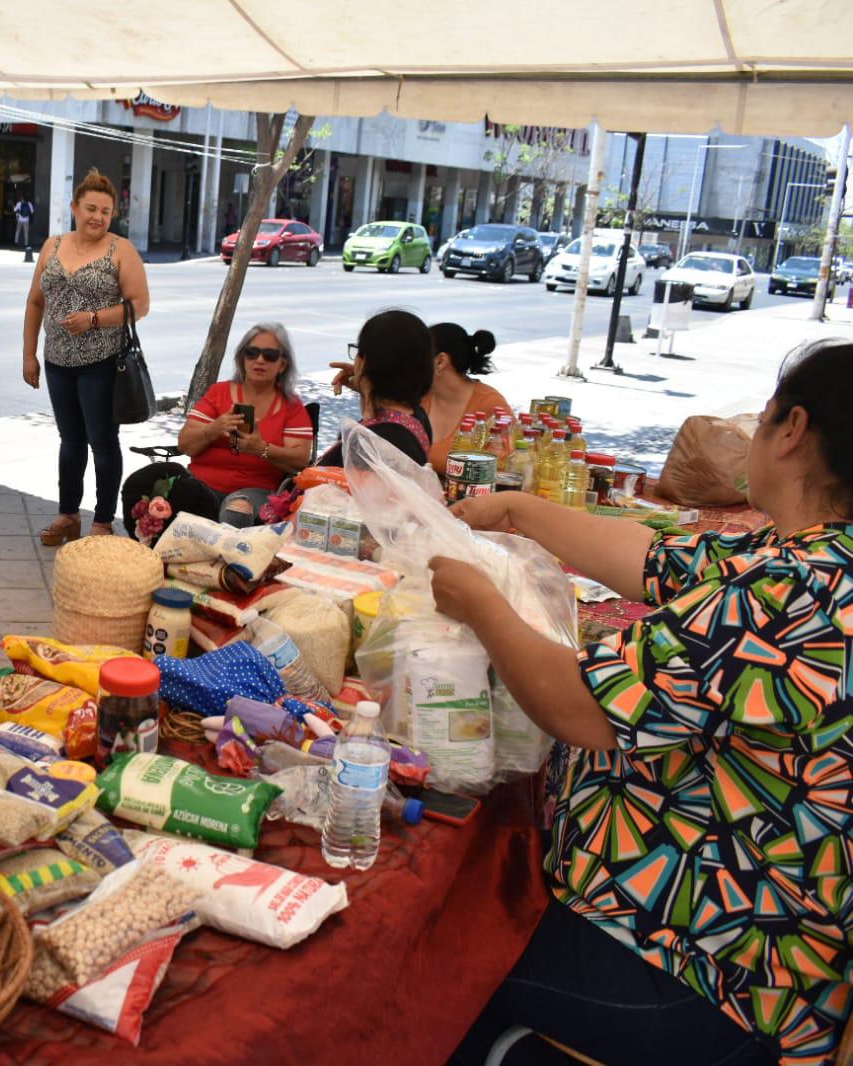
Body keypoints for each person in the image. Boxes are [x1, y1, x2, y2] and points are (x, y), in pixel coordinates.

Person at [439, 340, 853, 1066]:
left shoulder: (797, 596)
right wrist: (515, 510)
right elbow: (654, 560)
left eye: (758, 420)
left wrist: (479, 605)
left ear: (791, 430)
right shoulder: (806, 558)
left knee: (435, 958)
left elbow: (577, 708)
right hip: (736, 945)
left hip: (705, 968)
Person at [23, 167, 151, 545]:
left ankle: (101, 521)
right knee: (70, 441)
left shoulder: (119, 249)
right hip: (57, 360)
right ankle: (67, 516)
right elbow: (34, 302)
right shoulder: (52, 245)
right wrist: (29, 354)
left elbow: (140, 304)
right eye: (91, 208)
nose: (97, 217)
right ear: (75, 207)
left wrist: (95, 319)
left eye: (106, 211)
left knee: (102, 441)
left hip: (101, 362)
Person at [177, 323, 315, 527]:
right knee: (153, 489)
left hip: (255, 491)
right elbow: (184, 445)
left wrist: (262, 449)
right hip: (202, 483)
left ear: (282, 365)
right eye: (252, 353)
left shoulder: (290, 405)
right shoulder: (219, 393)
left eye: (270, 355)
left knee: (237, 510)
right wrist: (213, 429)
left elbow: (300, 460)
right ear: (242, 359)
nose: (260, 360)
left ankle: (228, 559)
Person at [320, 309, 436, 467]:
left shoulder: (367, 441)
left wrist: (368, 402)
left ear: (363, 363)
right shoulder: (417, 417)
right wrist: (368, 386)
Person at [424, 322, 510, 473]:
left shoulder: (491, 404)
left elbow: (505, 469)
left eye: (416, 358)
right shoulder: (419, 397)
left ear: (440, 361)